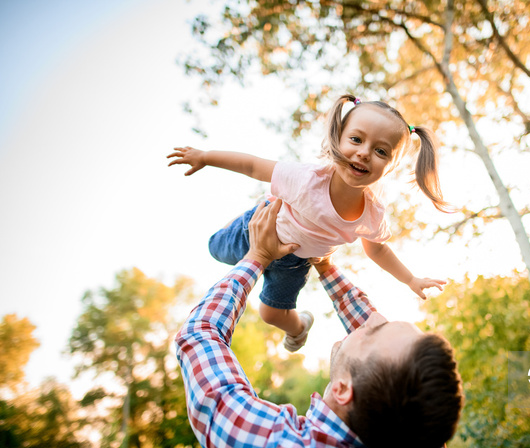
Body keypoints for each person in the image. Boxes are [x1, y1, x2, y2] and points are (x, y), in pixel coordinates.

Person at [175, 199, 464, 448]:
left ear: (342, 390)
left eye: (376, 331)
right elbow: (385, 368)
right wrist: (324, 264)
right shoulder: (420, 441)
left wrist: (257, 257)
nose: (374, 317)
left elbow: (199, 335)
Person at [168, 94, 450, 352]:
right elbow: (253, 165)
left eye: (381, 151)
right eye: (356, 140)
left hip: (294, 261)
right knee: (214, 248)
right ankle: (246, 214)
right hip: (259, 229)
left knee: (271, 314)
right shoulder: (306, 178)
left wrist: (410, 279)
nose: (364, 153)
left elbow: (377, 250)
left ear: (390, 166)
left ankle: (301, 327)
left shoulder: (372, 214)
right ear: (338, 138)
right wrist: (205, 157)